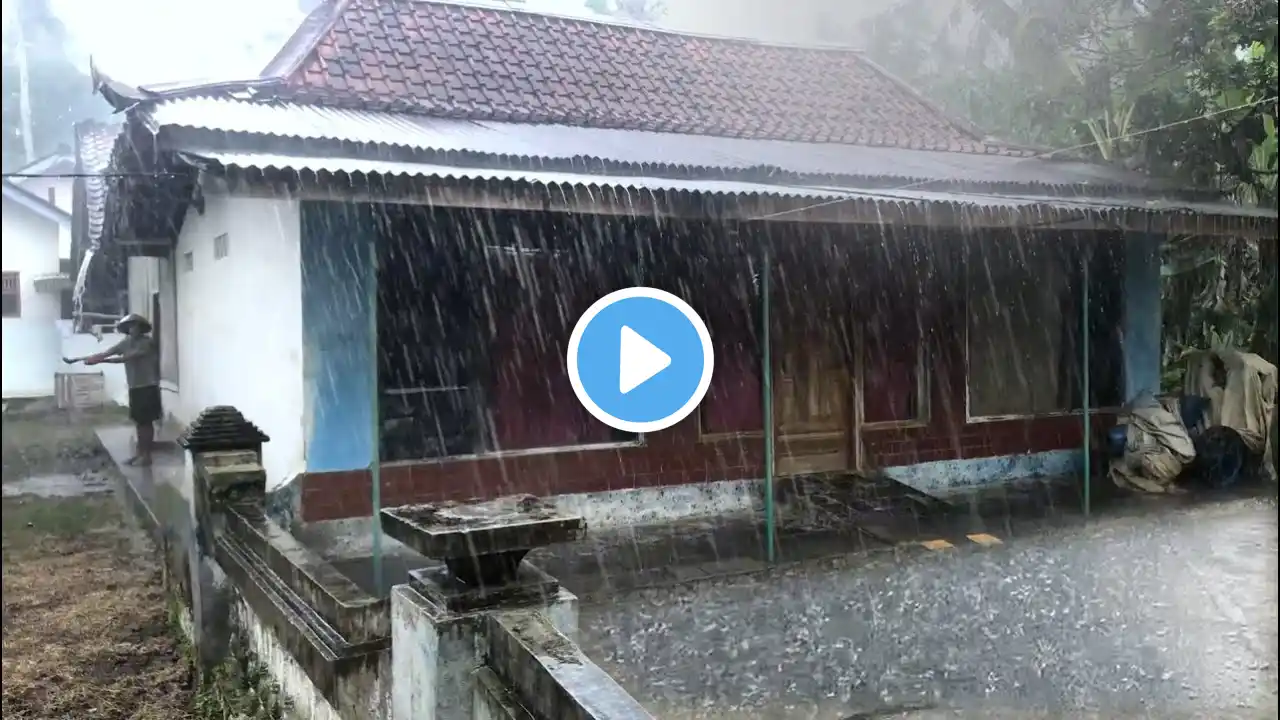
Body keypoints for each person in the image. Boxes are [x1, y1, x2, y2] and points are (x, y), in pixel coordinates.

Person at [79, 313, 161, 466]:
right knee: (138, 422)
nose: (132, 329)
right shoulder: (126, 342)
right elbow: (108, 352)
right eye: (130, 326)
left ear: (141, 328)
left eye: (135, 326)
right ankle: (140, 453)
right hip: (134, 386)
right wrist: (93, 357)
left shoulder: (146, 343)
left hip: (147, 386)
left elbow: (126, 358)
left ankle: (147, 455)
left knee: (146, 423)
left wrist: (100, 361)